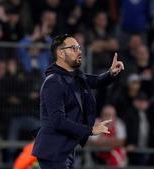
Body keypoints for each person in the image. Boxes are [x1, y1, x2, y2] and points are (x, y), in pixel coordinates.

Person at [32, 34, 124, 169]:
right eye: (74, 48)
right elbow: (58, 121)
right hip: (53, 152)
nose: (79, 51)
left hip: (64, 150)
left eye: (79, 47)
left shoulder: (74, 77)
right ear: (61, 53)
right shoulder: (53, 82)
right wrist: (90, 130)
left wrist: (111, 73)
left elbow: (96, 81)